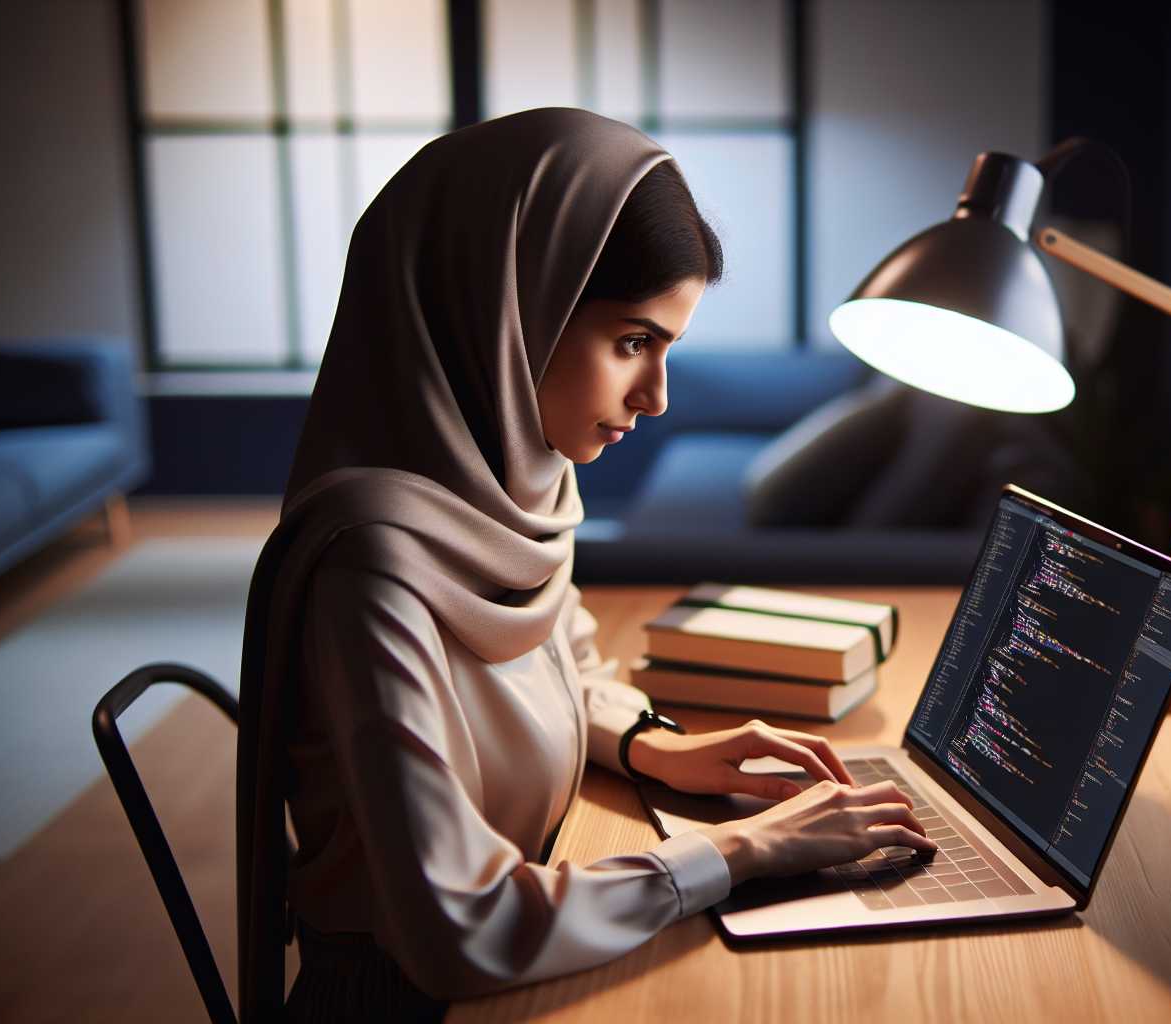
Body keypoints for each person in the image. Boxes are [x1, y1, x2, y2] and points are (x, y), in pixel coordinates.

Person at [235, 108, 937, 1022]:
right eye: (633, 343)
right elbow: (459, 927)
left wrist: (659, 745)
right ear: (508, 309)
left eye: (667, 348)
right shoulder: (372, 569)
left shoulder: (518, 491)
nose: (656, 397)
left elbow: (562, 656)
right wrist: (740, 853)